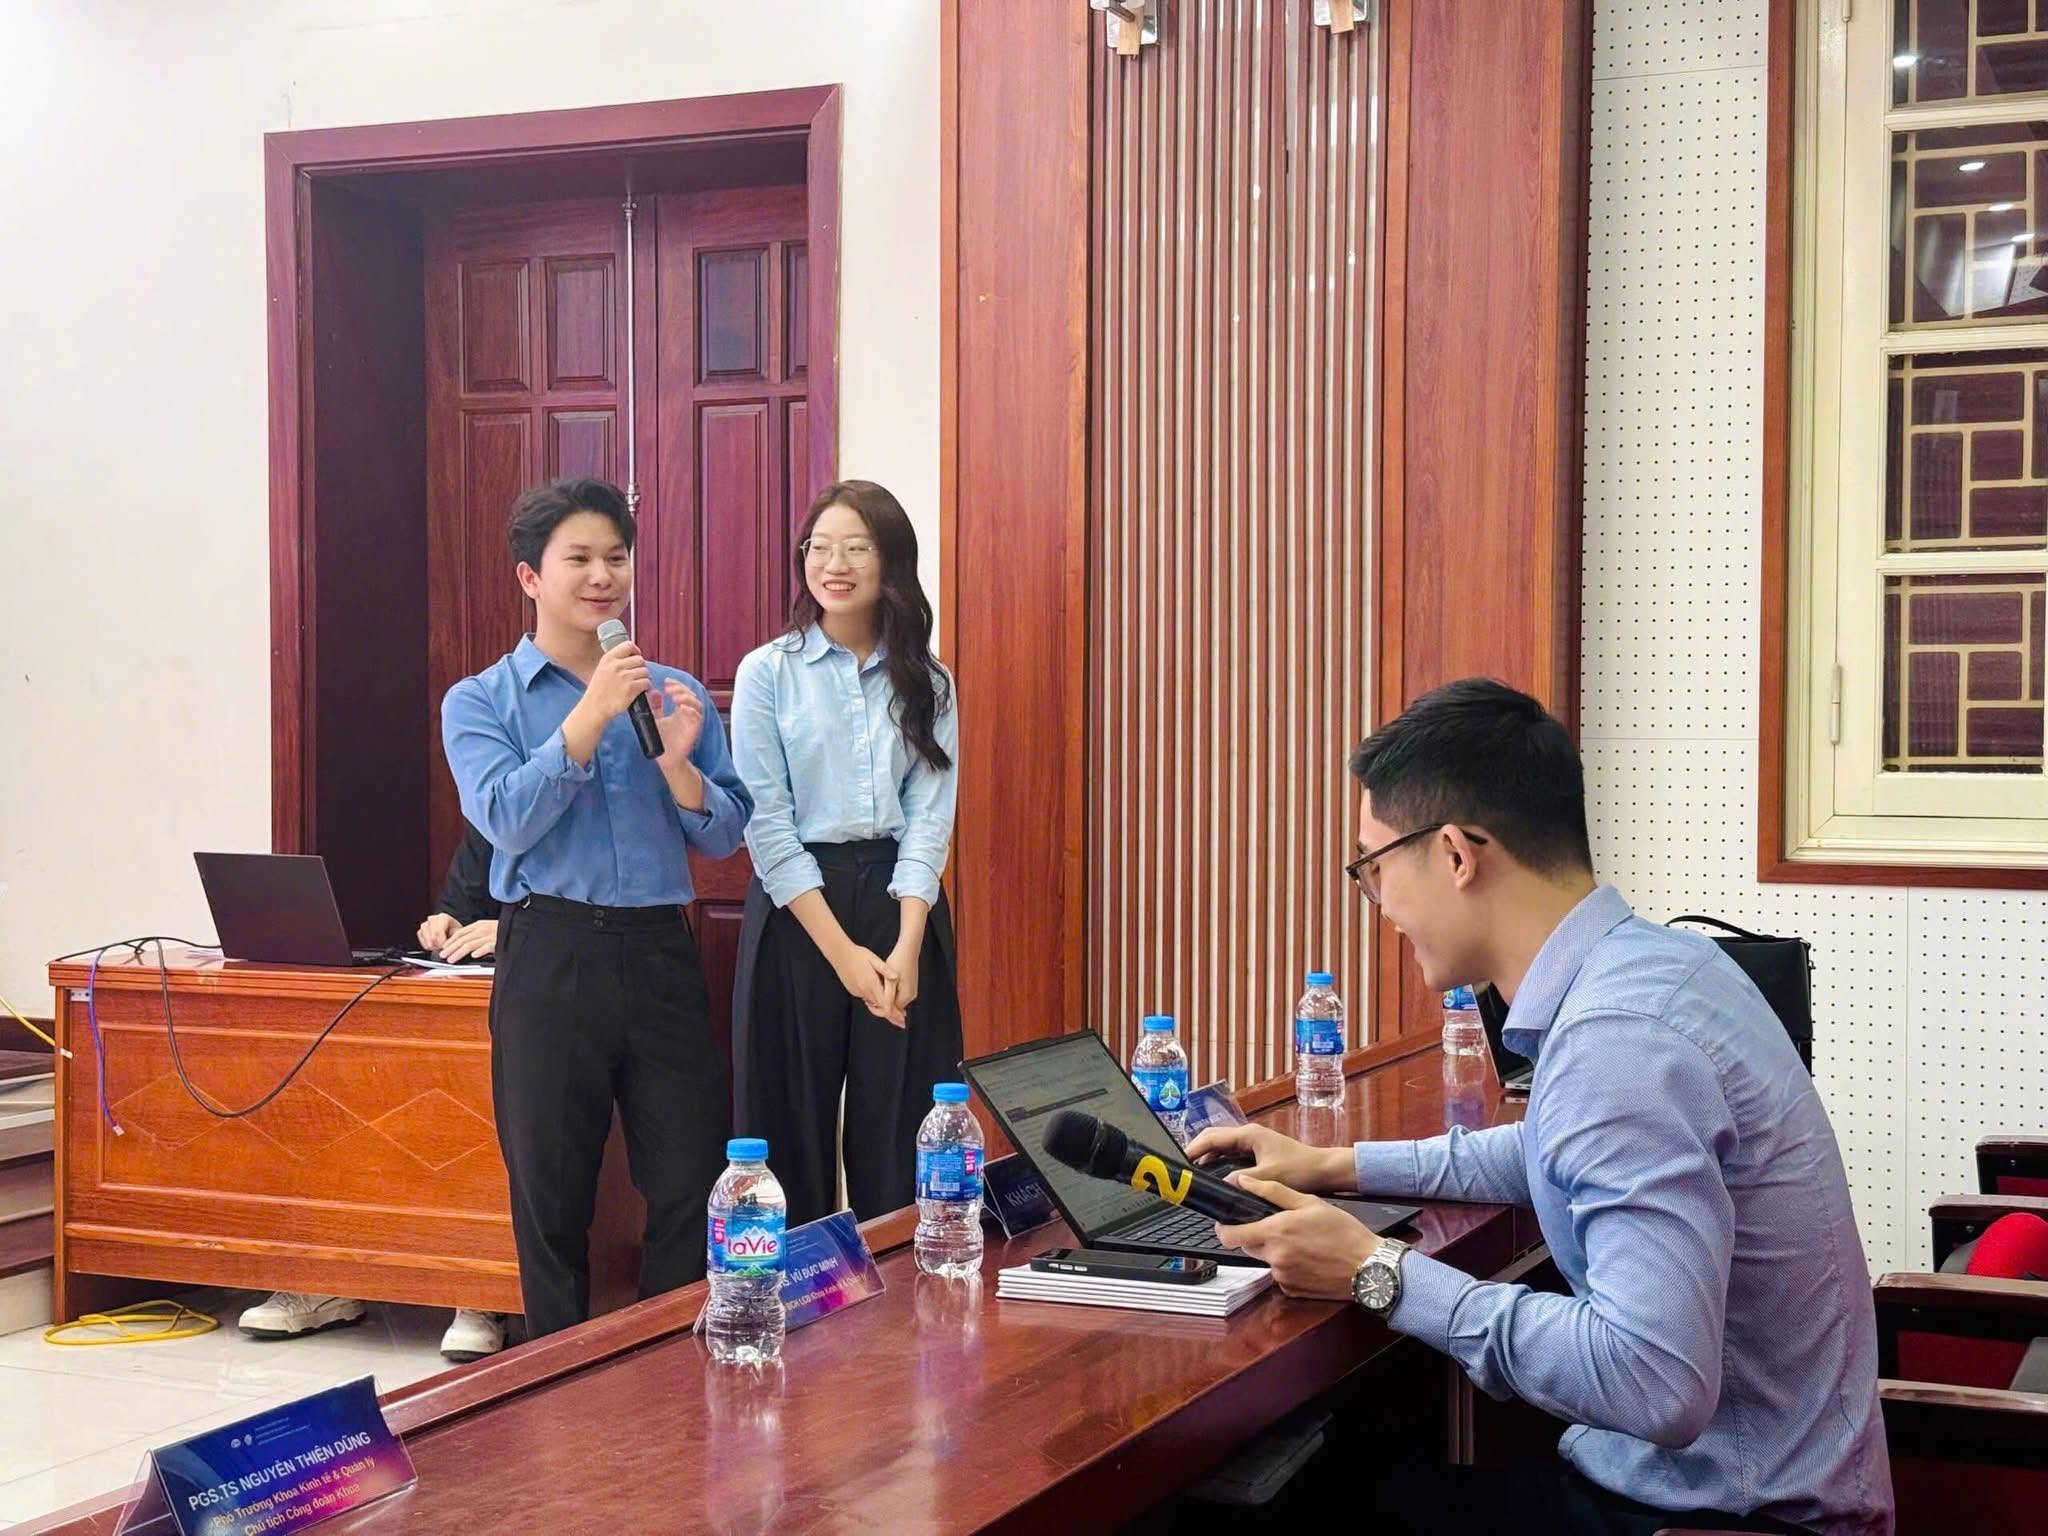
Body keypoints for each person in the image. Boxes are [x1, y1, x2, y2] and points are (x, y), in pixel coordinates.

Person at [1188, 680, 1893, 1536]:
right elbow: (1554, 1148)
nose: (1381, 906)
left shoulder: (1617, 1042)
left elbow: (1654, 1382)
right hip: (1743, 1485)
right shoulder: (1663, 969)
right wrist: (1335, 1165)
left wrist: (1377, 1270)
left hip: (1724, 1516)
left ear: (1455, 854)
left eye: (1373, 869)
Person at [441, 476, 751, 1339]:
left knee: (690, 1177)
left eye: (616, 557)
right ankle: (558, 1384)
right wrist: (590, 714)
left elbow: (726, 831)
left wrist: (679, 766)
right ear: (530, 577)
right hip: (551, 951)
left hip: (659, 951)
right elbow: (505, 817)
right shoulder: (481, 700)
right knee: (552, 1193)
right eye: (578, 558)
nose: (603, 576)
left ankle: (671, 1366)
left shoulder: (673, 692)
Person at [728, 480, 962, 1227]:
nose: (835, 564)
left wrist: (907, 946)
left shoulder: (928, 678)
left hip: (901, 901)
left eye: (857, 547)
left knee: (905, 1127)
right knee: (784, 1125)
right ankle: (794, 1289)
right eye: (820, 547)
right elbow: (767, 825)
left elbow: (929, 819)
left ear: (890, 560)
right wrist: (843, 956)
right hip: (800, 906)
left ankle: (908, 1291)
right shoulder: (767, 672)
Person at [237, 822, 511, 1361]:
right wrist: (447, 924)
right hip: (465, 992)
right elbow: (458, 907)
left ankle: (481, 1294)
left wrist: (513, 930)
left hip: (545, 997)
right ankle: (329, 1275)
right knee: (350, 1088)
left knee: (457, 1117)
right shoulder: (491, 815)